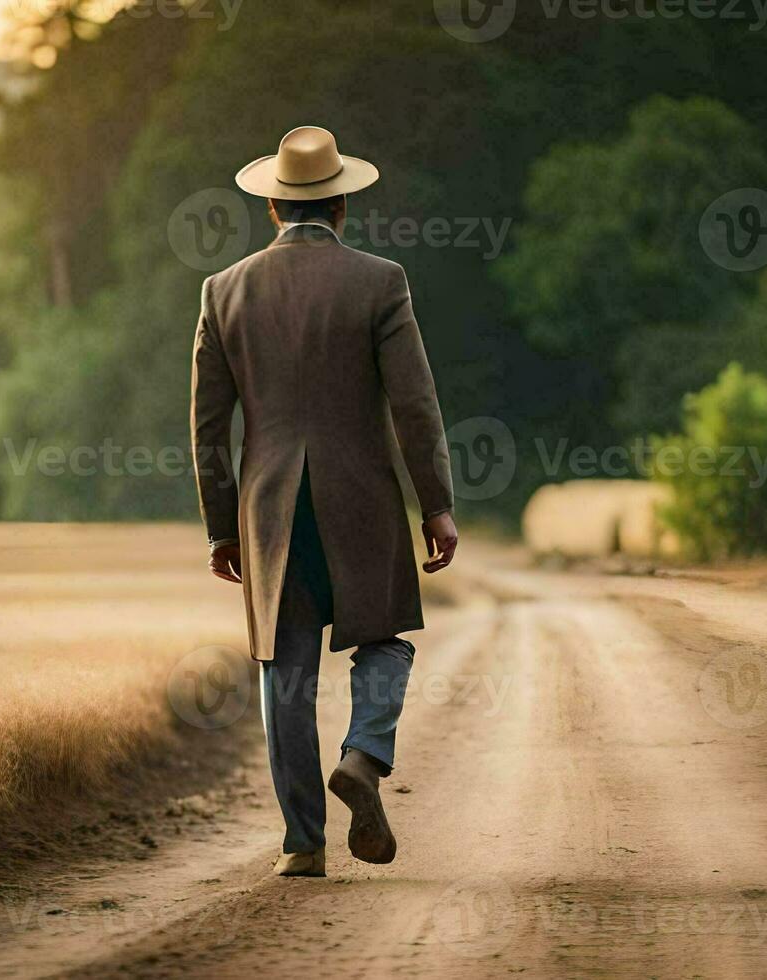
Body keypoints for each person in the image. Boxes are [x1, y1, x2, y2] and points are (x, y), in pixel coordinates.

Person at [190, 126, 458, 878]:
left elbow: (209, 426)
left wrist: (221, 526)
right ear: (341, 203)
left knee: (286, 673)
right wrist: (435, 502)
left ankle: (301, 844)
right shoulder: (381, 281)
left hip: (269, 508)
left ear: (274, 207)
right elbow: (415, 403)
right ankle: (366, 758)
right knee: (384, 639)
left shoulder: (223, 290)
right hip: (363, 496)